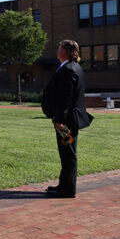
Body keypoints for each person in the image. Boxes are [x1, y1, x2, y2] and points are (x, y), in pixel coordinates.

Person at [41, 39, 93, 198]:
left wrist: (60, 119)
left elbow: (66, 98)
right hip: (68, 118)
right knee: (66, 153)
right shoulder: (71, 67)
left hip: (67, 120)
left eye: (60, 48)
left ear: (66, 51)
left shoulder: (69, 69)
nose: (57, 50)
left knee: (68, 154)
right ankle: (63, 185)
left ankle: (67, 190)